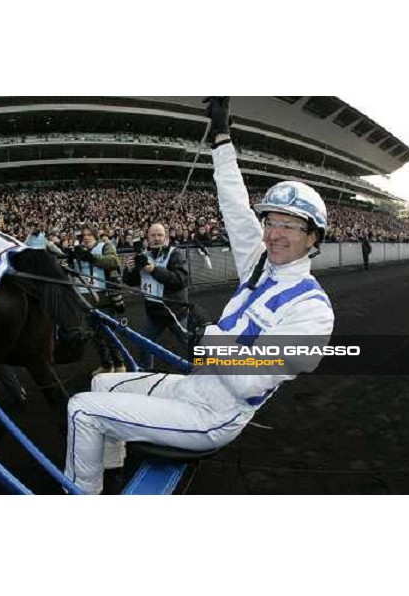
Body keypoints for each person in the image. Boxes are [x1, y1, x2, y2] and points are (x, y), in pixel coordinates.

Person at [64, 97, 335, 494]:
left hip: (215, 415)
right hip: (195, 387)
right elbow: (235, 205)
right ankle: (111, 472)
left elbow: (249, 381)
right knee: (102, 383)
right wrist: (222, 139)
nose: (275, 233)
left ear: (313, 238)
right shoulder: (261, 264)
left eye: (290, 226)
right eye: (272, 222)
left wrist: (207, 335)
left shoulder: (314, 312)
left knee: (81, 410)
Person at [122, 223, 189, 370]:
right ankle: (146, 371)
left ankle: (204, 370)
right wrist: (129, 269)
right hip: (154, 314)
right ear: (147, 238)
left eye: (160, 235)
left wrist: (153, 269)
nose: (156, 238)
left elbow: (181, 280)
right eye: (153, 235)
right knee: (144, 344)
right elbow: (130, 281)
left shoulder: (175, 254)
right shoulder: (143, 256)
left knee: (189, 343)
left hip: (176, 313)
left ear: (166, 238)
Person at [72, 224, 126, 375]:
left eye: (89, 235)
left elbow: (113, 261)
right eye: (83, 236)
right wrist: (71, 260)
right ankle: (107, 365)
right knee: (96, 337)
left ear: (95, 236)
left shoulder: (105, 246)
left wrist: (89, 257)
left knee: (109, 335)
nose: (86, 238)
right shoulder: (79, 251)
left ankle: (120, 364)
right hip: (87, 300)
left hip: (104, 298)